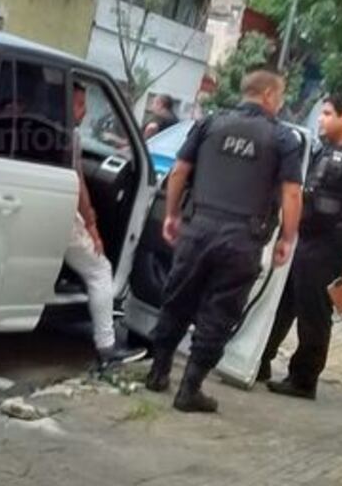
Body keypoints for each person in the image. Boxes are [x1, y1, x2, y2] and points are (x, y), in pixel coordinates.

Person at [144, 68, 303, 413]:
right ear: (268, 96)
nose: (281, 102)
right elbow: (292, 193)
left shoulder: (209, 124)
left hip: (198, 227)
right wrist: (287, 239)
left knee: (177, 300)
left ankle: (157, 372)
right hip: (242, 240)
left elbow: (179, 172)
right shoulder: (282, 138)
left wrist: (172, 214)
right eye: (281, 96)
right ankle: (189, 389)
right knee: (219, 313)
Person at [261, 95, 342, 400]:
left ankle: (304, 379)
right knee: (283, 303)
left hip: (331, 246)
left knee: (313, 312)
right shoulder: (325, 149)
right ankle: (260, 359)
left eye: (327, 113)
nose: (320, 118)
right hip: (307, 239)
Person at [65, 82, 146, 369]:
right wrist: (92, 226)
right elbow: (77, 186)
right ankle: (107, 347)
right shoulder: (69, 134)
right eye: (78, 104)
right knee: (101, 270)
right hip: (61, 214)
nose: (84, 112)